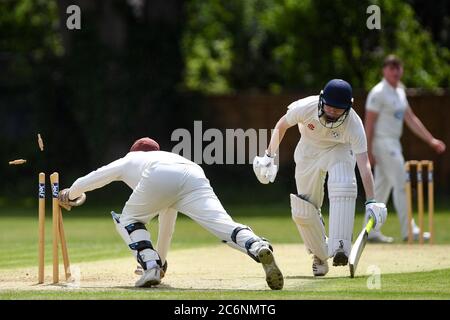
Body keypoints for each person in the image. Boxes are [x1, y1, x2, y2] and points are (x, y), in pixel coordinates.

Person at [59, 137, 284, 289]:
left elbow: (97, 176)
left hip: (161, 176)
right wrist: (162, 262)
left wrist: (70, 193)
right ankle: (257, 245)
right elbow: (167, 226)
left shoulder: (131, 158)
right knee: (223, 223)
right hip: (194, 173)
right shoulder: (169, 156)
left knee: (128, 219)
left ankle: (149, 265)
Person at [253, 79, 387, 276]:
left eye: (338, 109)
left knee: (343, 184)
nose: (333, 112)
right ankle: (320, 255)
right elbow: (282, 125)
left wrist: (371, 200)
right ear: (322, 100)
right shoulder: (306, 107)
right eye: (330, 107)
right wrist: (268, 156)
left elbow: (363, 163)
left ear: (348, 107)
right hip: (308, 151)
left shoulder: (354, 124)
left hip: (339, 150)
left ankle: (341, 246)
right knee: (303, 210)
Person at [364, 55, 446, 243]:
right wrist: (368, 151)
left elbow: (411, 119)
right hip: (382, 143)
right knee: (402, 184)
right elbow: (369, 124)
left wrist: (431, 140)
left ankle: (371, 231)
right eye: (391, 68)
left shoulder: (400, 91)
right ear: (384, 71)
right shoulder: (378, 92)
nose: (395, 71)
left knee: (381, 188)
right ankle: (409, 229)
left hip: (394, 142)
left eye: (398, 68)